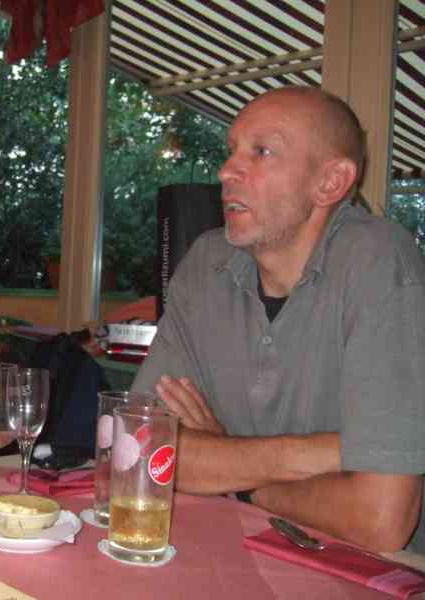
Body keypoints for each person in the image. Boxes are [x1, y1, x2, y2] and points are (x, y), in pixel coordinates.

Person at [131, 86, 425, 553]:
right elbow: (137, 448)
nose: (226, 171)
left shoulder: (378, 262)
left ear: (330, 182)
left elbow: (379, 520)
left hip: (363, 572)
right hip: (239, 553)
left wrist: (238, 478)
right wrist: (310, 454)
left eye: (261, 152)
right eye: (231, 151)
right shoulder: (207, 262)